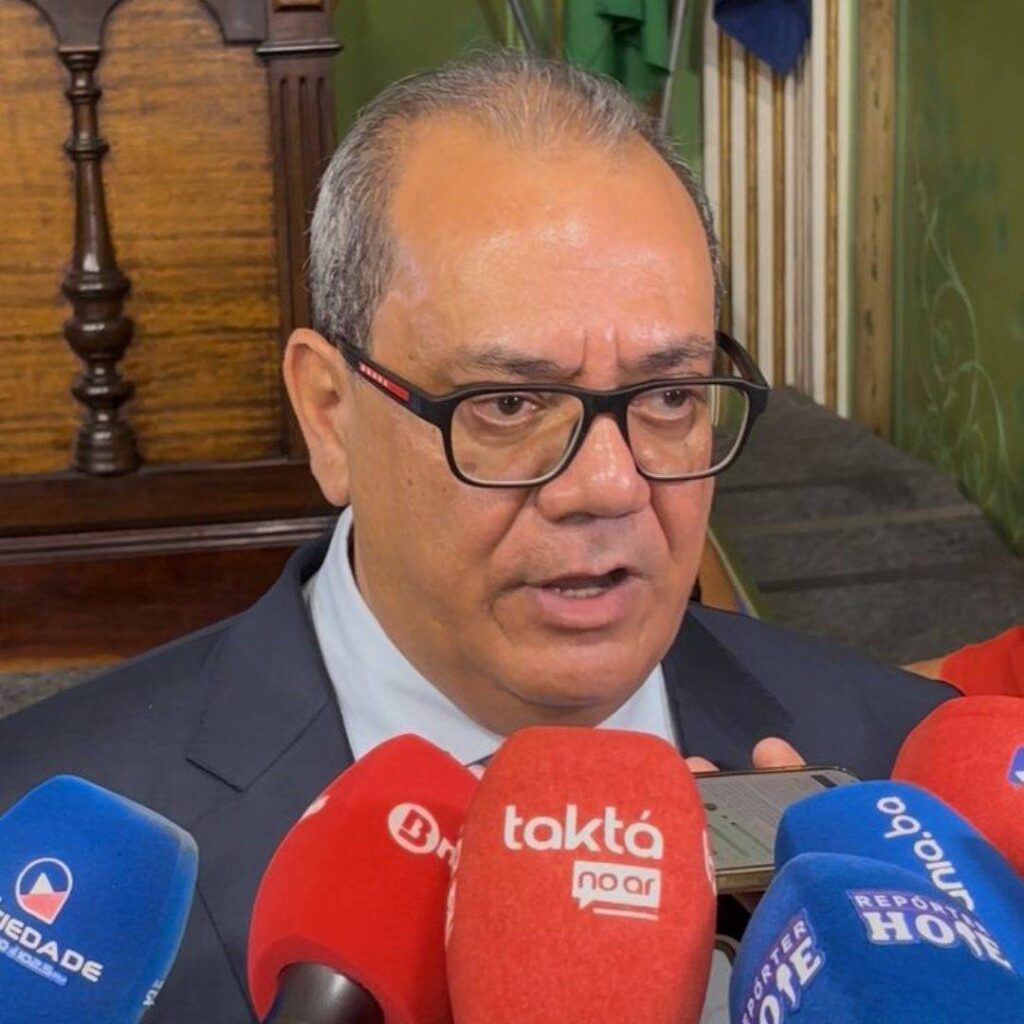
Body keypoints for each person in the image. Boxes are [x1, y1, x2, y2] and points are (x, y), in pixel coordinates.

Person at [0, 52, 954, 1022]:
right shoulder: (26, 839)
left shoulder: (918, 792)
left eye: (670, 395)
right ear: (330, 415)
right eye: (508, 403)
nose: (609, 485)